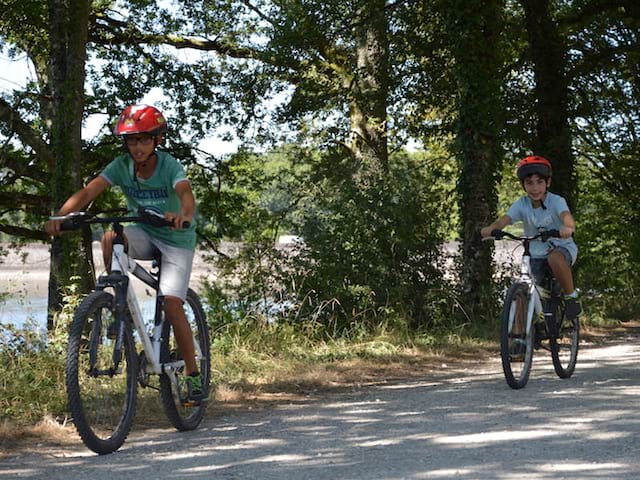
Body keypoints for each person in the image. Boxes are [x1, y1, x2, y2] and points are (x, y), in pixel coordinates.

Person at [45, 104, 205, 403]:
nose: (137, 146)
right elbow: (89, 192)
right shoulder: (121, 166)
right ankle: (118, 305)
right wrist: (60, 217)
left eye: (144, 139)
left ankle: (194, 375)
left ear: (156, 140)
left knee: (171, 304)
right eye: (132, 140)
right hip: (144, 231)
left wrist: (183, 214)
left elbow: (185, 193)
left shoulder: (169, 165)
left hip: (175, 237)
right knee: (109, 237)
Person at [480, 155, 582, 320]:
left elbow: (566, 216)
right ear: (523, 185)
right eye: (529, 183)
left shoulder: (556, 201)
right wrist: (492, 229)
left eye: (539, 182)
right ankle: (520, 337)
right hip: (536, 253)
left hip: (561, 248)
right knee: (523, 289)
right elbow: (504, 220)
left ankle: (571, 297)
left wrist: (568, 227)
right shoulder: (522, 204)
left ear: (547, 183)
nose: (535, 188)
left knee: (555, 258)